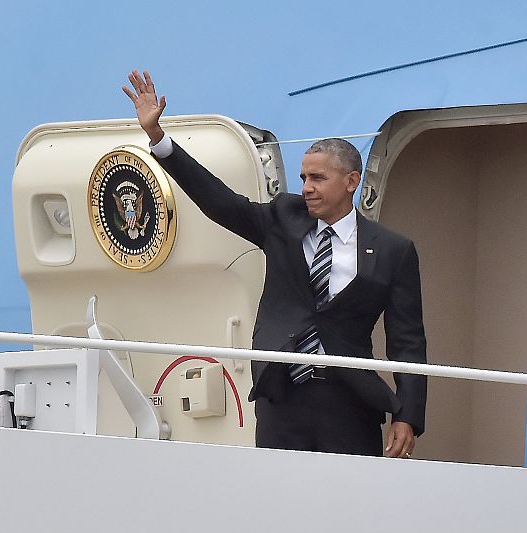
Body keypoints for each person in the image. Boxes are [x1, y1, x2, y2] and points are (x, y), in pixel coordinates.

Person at [123, 70, 427, 458]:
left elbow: (408, 342)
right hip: (281, 396)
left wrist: (408, 414)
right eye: (303, 177)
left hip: (351, 402)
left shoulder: (393, 250)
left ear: (351, 181)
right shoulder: (284, 218)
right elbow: (219, 202)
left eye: (318, 178)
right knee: (277, 506)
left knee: (349, 508)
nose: (307, 187)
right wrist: (159, 140)